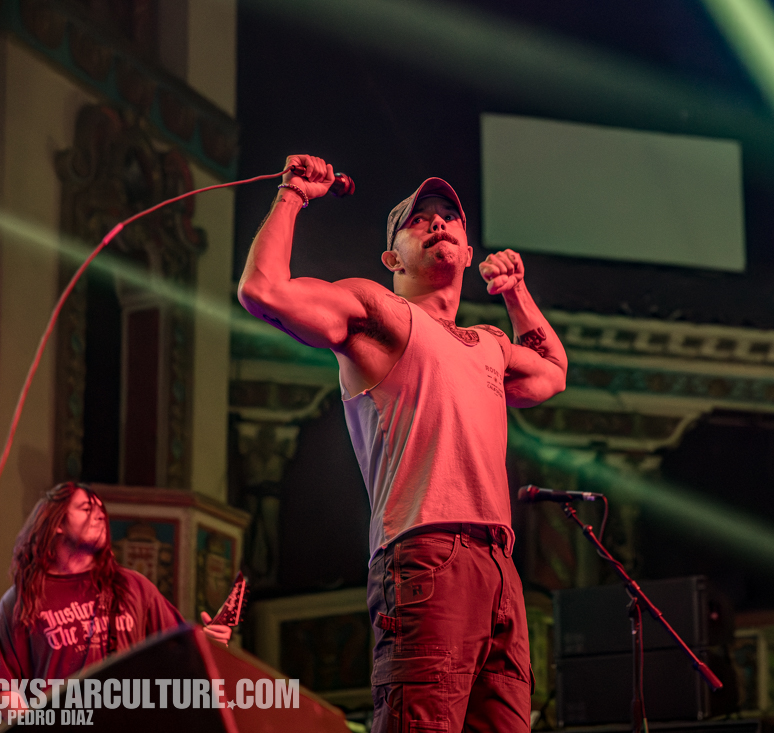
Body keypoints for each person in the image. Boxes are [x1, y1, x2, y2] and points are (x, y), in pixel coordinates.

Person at [238, 157, 568, 732]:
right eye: (419, 220)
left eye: (449, 218)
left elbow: (551, 373)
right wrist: (293, 194)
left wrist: (515, 293)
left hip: (499, 567)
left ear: (467, 251)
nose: (438, 223)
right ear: (392, 258)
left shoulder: (487, 341)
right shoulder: (380, 311)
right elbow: (263, 290)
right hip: (426, 554)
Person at [0, 482, 231, 704]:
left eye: (100, 510)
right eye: (86, 509)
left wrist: (210, 645)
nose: (99, 515)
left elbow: (178, 657)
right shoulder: (23, 599)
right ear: (56, 523)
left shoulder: (135, 587)